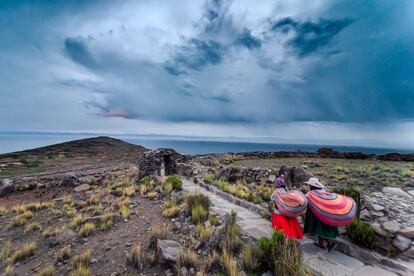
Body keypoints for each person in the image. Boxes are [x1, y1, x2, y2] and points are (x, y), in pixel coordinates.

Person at [303, 177, 339, 251]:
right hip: (325, 214)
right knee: (320, 230)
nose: (308, 186)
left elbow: (305, 201)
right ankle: (320, 244)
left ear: (311, 186)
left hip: (316, 215)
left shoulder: (311, 193)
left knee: (319, 230)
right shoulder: (323, 191)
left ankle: (330, 243)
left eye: (309, 185)